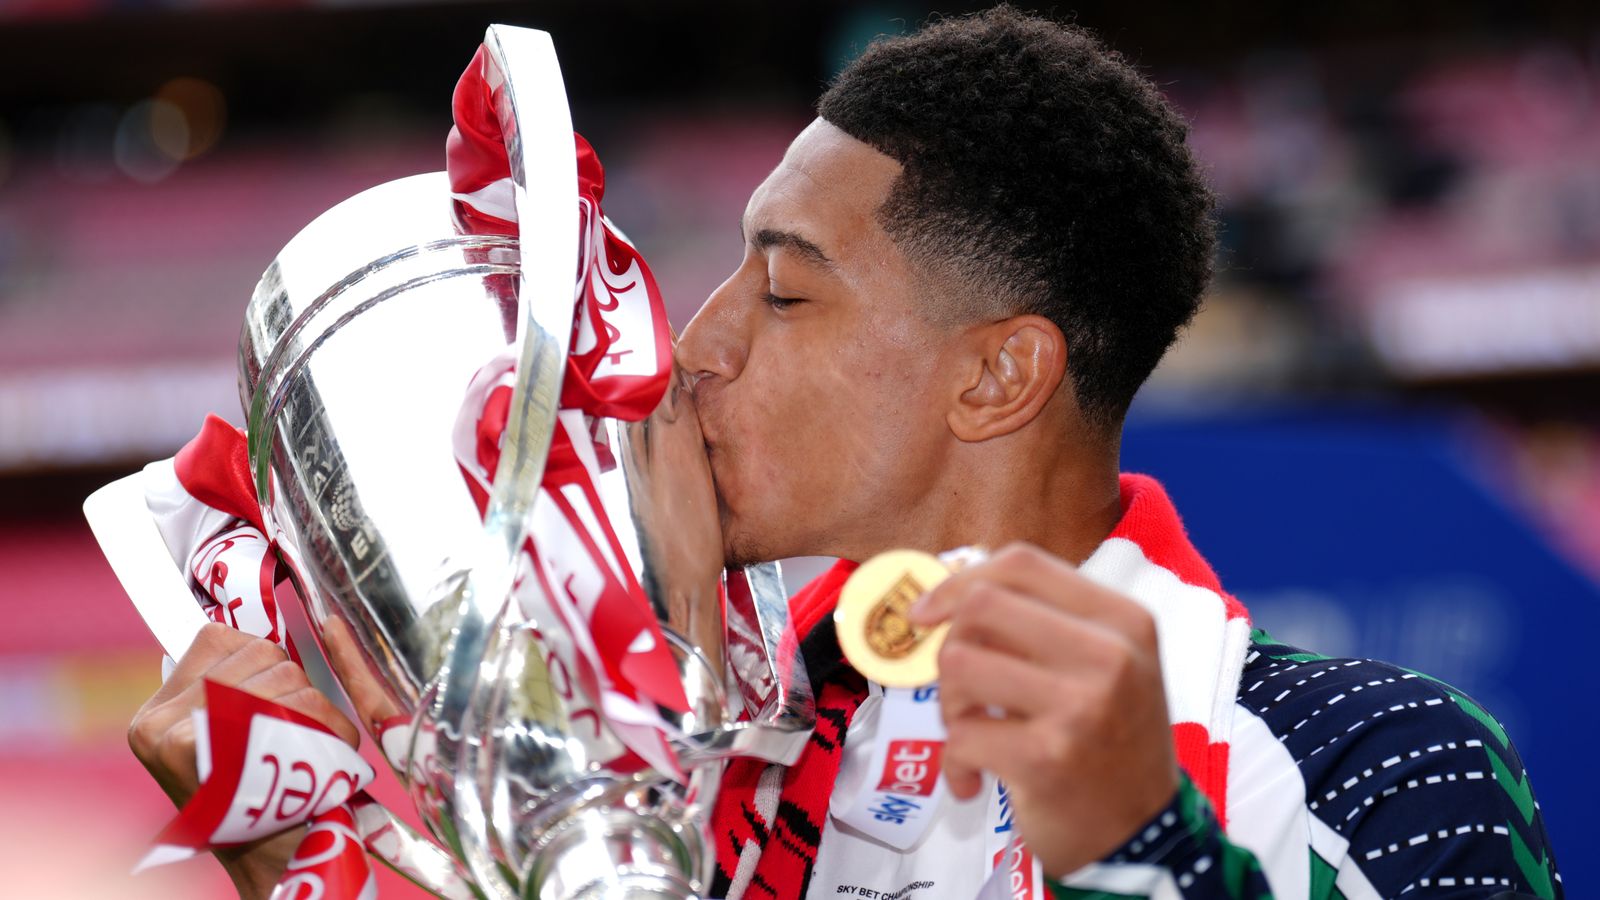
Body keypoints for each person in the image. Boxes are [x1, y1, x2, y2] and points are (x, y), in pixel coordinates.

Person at [130, 6, 1563, 899]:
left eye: (784, 290)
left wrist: (1144, 845)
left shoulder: (1371, 759)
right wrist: (293, 853)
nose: (692, 348)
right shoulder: (685, 780)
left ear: (998, 375)